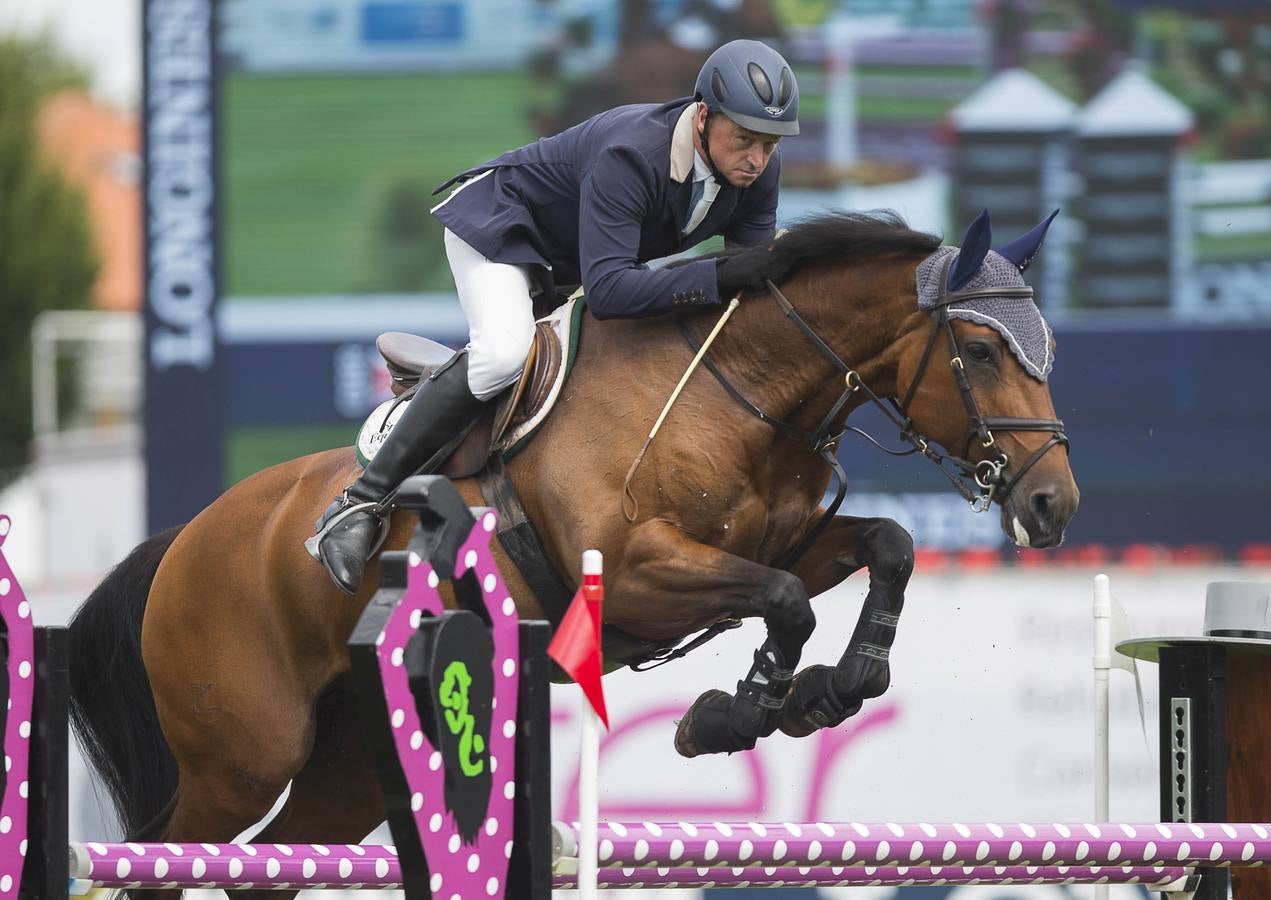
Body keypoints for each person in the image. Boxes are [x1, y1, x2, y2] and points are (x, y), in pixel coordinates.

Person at [309, 39, 800, 595]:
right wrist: (715, 275)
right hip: (503, 228)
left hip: (571, 262)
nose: (756, 159)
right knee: (503, 353)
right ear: (705, 116)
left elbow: (743, 284)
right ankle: (360, 504)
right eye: (745, 139)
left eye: (769, 144)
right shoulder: (633, 153)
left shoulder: (758, 172)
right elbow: (613, 291)